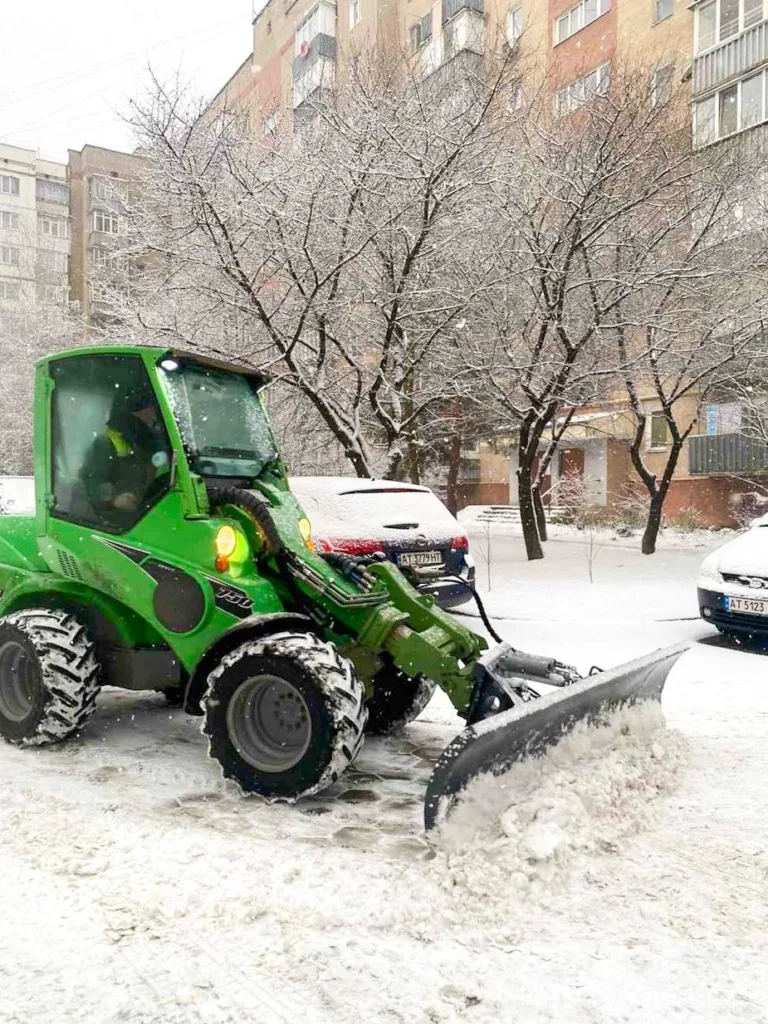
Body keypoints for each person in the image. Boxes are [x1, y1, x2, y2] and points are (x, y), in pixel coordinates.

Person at [80, 388, 171, 523]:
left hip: (147, 512)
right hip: (116, 521)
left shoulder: (153, 441)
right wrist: (114, 499)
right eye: (151, 410)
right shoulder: (106, 442)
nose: (154, 416)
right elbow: (91, 481)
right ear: (134, 412)